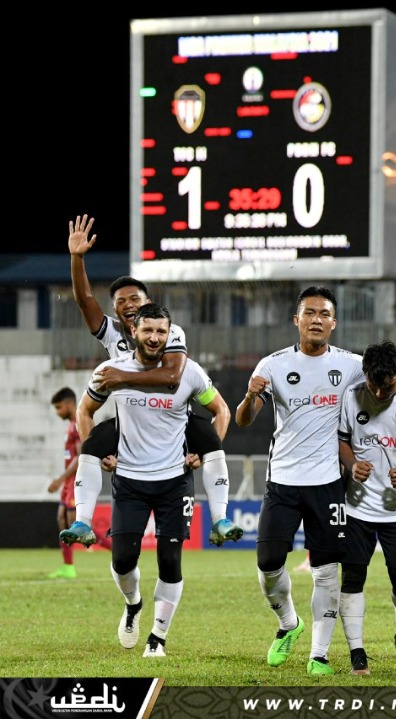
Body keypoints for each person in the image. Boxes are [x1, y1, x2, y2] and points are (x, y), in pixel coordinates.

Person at [60, 214, 241, 548]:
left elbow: (172, 376)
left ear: (149, 305)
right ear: (121, 317)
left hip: (171, 419)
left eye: (135, 299)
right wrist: (76, 258)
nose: (128, 305)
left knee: (207, 437)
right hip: (133, 419)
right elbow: (85, 299)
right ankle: (82, 520)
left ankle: (220, 518)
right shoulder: (114, 332)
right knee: (93, 442)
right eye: (121, 302)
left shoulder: (168, 331)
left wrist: (120, 377)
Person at [236, 286, 386, 676]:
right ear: (297, 320)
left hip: (328, 483)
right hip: (282, 481)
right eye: (309, 313)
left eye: (324, 314)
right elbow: (244, 420)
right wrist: (249, 398)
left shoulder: (351, 365)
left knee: (326, 570)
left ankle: (319, 655)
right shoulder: (272, 365)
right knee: (268, 563)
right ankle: (289, 623)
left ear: (333, 323)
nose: (316, 319)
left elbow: (386, 389)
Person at [77, 303, 231, 658]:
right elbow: (86, 410)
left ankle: (158, 638)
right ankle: (133, 604)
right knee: (122, 561)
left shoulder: (190, 372)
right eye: (148, 330)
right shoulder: (111, 370)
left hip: (175, 482)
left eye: (161, 331)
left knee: (170, 560)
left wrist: (204, 451)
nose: (154, 337)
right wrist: (99, 452)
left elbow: (219, 411)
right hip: (129, 481)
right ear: (133, 331)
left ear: (169, 334)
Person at [337, 340, 396, 675]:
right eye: (373, 385)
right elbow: (342, 441)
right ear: (364, 375)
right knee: (352, 578)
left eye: (387, 386)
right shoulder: (351, 397)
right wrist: (352, 465)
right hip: (356, 508)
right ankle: (357, 653)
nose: (379, 393)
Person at [46, 387, 82, 578]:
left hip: (76, 480)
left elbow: (80, 456)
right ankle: (68, 567)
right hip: (69, 480)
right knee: (62, 519)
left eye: (59, 407)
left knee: (77, 526)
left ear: (69, 404)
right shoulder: (71, 425)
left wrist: (60, 479)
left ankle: (117, 551)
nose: (57, 412)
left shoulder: (78, 424)